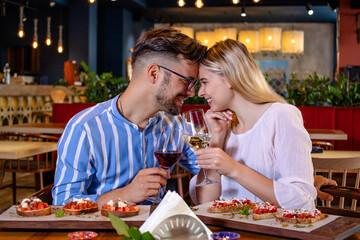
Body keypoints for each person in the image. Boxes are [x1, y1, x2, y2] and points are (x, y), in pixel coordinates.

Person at [52, 27, 207, 206]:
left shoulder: (176, 127)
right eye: (187, 81)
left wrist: (218, 134)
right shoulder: (85, 128)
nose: (192, 92)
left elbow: (211, 173)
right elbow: (62, 204)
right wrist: (126, 194)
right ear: (154, 73)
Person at [190, 39, 329, 210]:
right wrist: (216, 140)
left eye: (204, 82)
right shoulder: (226, 129)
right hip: (231, 233)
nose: (200, 92)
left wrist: (233, 168)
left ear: (228, 78)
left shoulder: (281, 116)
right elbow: (206, 203)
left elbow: (301, 200)